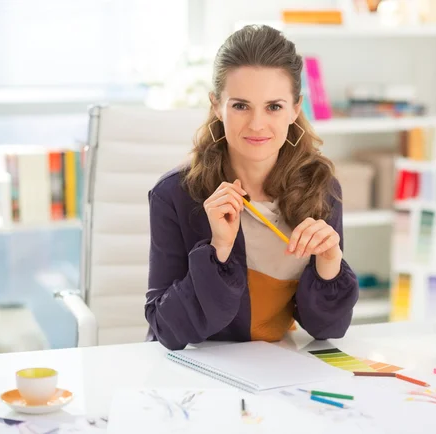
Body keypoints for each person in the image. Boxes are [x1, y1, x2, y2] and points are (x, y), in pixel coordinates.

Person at [145, 24, 359, 351]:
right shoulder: (174, 194)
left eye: (273, 106)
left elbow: (325, 329)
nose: (257, 124)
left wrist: (329, 266)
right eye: (241, 105)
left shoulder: (321, 187)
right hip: (194, 370)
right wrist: (218, 248)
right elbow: (166, 329)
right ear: (217, 106)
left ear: (295, 108)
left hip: (274, 371)